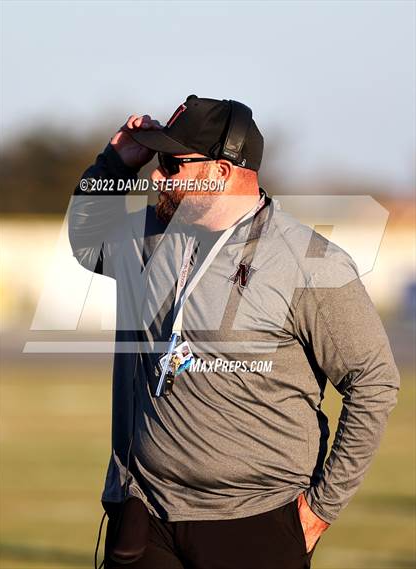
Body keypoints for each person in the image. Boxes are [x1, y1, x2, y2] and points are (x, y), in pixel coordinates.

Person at [68, 95, 400, 569]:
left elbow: (373, 382)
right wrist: (116, 161)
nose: (157, 177)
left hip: (256, 519)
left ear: (222, 171)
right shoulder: (153, 235)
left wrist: (320, 510)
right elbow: (86, 239)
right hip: (147, 509)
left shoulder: (310, 263)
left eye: (172, 164)